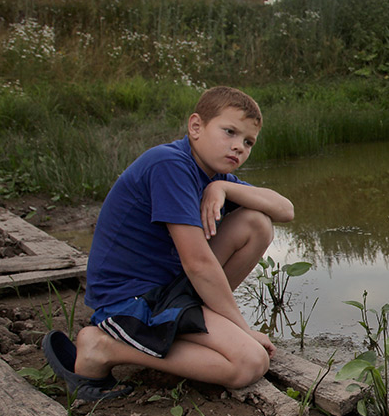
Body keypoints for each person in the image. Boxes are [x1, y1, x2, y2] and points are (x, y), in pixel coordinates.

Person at [43, 86, 295, 400]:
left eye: (248, 142)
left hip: (166, 290)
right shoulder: (169, 165)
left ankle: (206, 321)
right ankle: (103, 347)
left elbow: (285, 209)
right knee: (249, 363)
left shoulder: (213, 173)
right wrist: (242, 329)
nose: (238, 147)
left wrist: (224, 189)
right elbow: (197, 264)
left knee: (257, 223)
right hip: (131, 300)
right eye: (229, 132)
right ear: (196, 127)